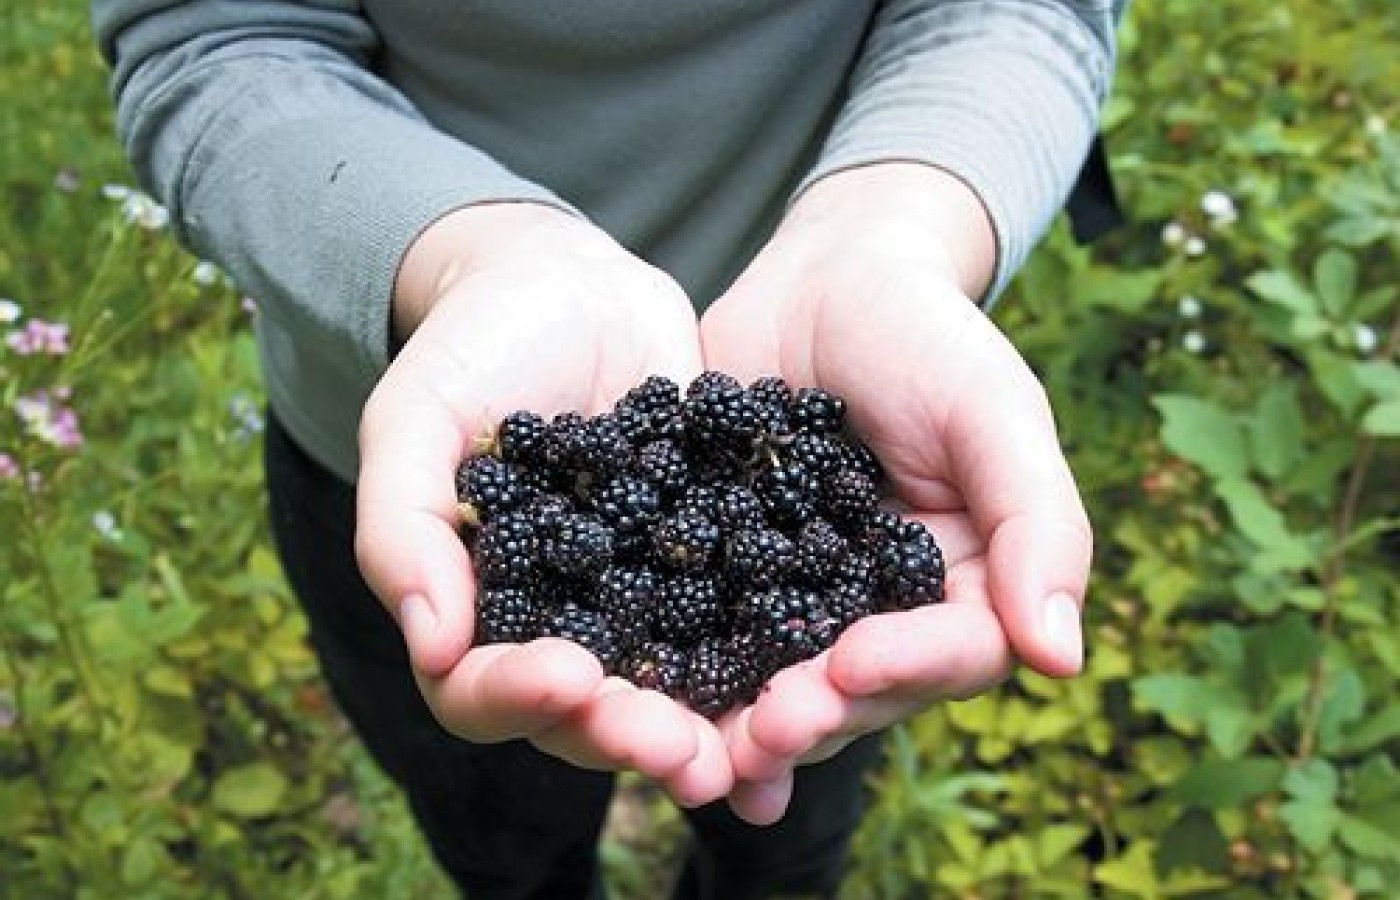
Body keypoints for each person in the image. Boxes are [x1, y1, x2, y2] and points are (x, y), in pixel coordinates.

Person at [94, 2, 1122, 897]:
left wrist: (896, 230)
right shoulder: (540, 511)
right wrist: (460, 259)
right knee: (501, 840)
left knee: (788, 825)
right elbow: (213, 40)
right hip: (408, 452)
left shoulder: (790, 542)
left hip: (840, 375)